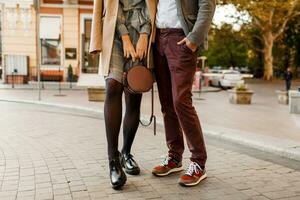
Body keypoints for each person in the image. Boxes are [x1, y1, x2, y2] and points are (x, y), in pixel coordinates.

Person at [89, 0, 156, 189]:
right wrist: (125, 37)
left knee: (134, 92)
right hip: (114, 33)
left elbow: (152, 6)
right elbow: (108, 7)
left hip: (143, 30)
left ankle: (126, 152)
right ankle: (113, 161)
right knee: (113, 85)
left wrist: (144, 33)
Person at [151, 0, 216, 187]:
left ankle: (198, 162)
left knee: (181, 101)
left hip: (181, 38)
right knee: (167, 103)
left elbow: (208, 5)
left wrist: (194, 38)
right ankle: (174, 156)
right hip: (158, 39)